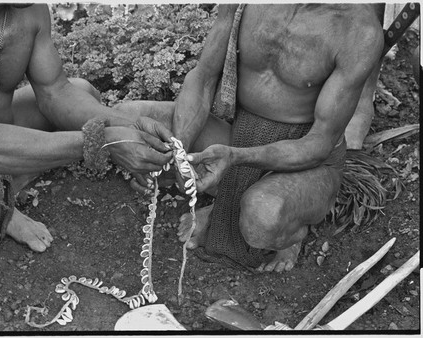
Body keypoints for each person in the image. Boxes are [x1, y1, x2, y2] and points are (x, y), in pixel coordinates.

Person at [0, 3, 173, 302]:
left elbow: (56, 91)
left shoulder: (29, 11)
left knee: (84, 93)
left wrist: (130, 127)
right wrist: (101, 141)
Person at [120, 4, 385, 272]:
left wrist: (235, 157)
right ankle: (227, 203)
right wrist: (179, 149)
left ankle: (292, 234)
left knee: (262, 215)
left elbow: (318, 144)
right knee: (131, 119)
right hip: (240, 135)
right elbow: (203, 78)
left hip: (306, 163)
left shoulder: (358, 29)